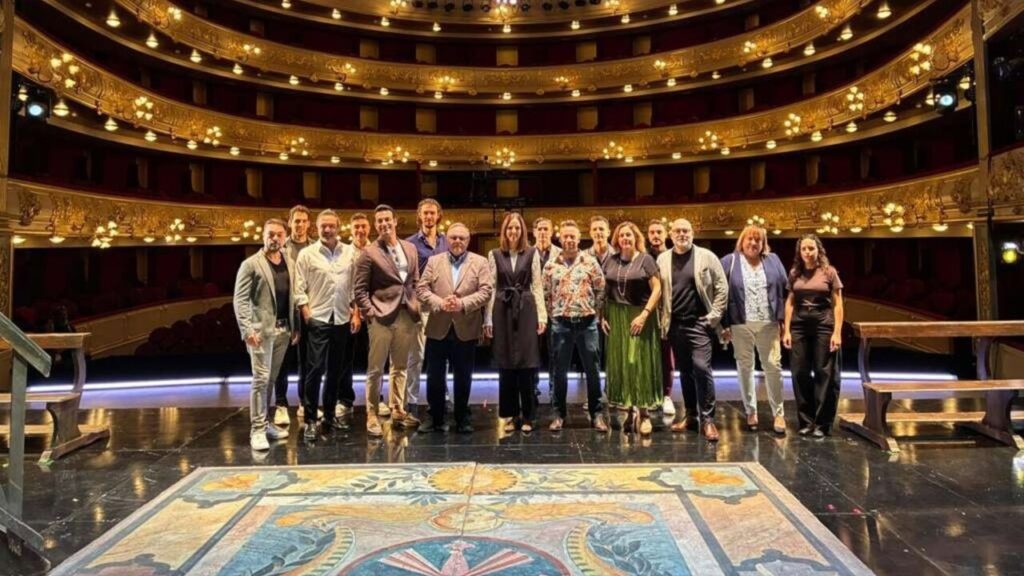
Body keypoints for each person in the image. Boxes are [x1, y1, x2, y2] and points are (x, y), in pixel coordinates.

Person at [416, 223, 493, 433]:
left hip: (466, 327)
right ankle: (435, 417)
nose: (457, 241)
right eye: (453, 238)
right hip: (438, 325)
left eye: (462, 238)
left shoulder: (480, 262)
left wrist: (463, 303)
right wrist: (439, 302)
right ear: (447, 239)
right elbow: (421, 288)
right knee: (434, 376)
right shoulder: (433, 261)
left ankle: (462, 417)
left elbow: (486, 291)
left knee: (463, 375)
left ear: (468, 240)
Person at [353, 204, 422, 437]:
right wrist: (370, 313)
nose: (384, 224)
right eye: (379, 221)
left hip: (406, 315)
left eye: (387, 220)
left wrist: (416, 306)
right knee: (375, 369)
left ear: (395, 221)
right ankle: (371, 413)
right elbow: (359, 289)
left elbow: (414, 281)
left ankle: (397, 409)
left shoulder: (410, 248)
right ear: (376, 225)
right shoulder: (369, 253)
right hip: (380, 318)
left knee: (400, 367)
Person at [657, 218, 728, 441]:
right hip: (675, 324)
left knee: (701, 368)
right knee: (685, 371)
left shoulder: (707, 257)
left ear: (692, 233)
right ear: (671, 234)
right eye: (677, 231)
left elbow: (722, 288)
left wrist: (713, 317)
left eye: (686, 230)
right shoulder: (662, 259)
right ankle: (691, 416)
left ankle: (708, 420)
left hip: (700, 323)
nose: (682, 234)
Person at [294, 209, 359, 442]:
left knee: (336, 371)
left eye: (332, 225)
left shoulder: (350, 252)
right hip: (318, 318)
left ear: (338, 227)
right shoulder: (307, 254)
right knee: (315, 370)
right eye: (323, 226)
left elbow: (353, 286)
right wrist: (307, 314)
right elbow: (299, 288)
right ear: (317, 228)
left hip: (341, 317)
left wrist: (355, 313)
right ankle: (311, 419)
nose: (328, 229)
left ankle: (330, 416)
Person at [232, 218, 295, 450]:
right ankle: (257, 429)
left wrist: (295, 326)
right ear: (263, 235)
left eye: (279, 234)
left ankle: (266, 423)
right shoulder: (250, 264)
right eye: (271, 234)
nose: (275, 238)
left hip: (283, 330)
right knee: (260, 379)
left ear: (285, 237)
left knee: (270, 379)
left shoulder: (289, 260)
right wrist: (247, 329)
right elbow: (240, 300)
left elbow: (292, 295)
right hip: (260, 333)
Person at [721, 225, 789, 435]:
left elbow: (784, 290)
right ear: (742, 241)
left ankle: (779, 413)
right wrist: (723, 324)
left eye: (757, 240)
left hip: (769, 323)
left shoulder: (773, 260)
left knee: (773, 367)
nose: (753, 243)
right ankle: (751, 411)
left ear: (763, 243)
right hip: (740, 323)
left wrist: (784, 321)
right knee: (745, 367)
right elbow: (720, 294)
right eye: (749, 239)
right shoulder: (729, 261)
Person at [485, 213, 547, 433]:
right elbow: (491, 287)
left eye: (517, 228)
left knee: (528, 363)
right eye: (510, 228)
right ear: (504, 230)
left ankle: (529, 415)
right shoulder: (494, 254)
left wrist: (542, 316)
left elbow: (537, 285)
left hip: (526, 308)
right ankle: (510, 415)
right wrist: (488, 318)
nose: (513, 232)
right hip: (502, 309)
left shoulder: (532, 253)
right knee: (506, 363)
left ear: (523, 231)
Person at [544, 220, 608, 432]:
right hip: (560, 324)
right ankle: (558, 414)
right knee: (558, 372)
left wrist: (595, 312)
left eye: (573, 236)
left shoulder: (590, 262)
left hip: (587, 323)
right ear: (559, 238)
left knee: (593, 370)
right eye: (565, 236)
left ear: (579, 239)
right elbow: (545, 294)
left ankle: (596, 414)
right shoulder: (551, 265)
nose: (569, 240)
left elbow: (600, 289)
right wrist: (553, 315)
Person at [601, 221, 661, 436]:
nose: (625, 238)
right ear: (617, 239)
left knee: (638, 363)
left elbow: (657, 289)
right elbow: (605, 291)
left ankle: (643, 414)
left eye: (629, 235)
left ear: (636, 238)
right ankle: (628, 411)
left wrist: (645, 314)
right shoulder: (611, 260)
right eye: (621, 235)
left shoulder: (646, 260)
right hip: (616, 316)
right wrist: (603, 316)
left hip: (639, 315)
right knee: (622, 364)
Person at [783, 234, 845, 437]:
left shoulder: (829, 272)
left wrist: (837, 332)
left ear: (818, 250)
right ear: (799, 252)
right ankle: (806, 421)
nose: (808, 253)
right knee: (799, 372)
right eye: (804, 249)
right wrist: (787, 330)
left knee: (824, 373)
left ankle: (822, 423)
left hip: (823, 326)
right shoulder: (794, 273)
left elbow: (838, 304)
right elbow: (790, 302)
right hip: (799, 327)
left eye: (811, 248)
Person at [397, 199, 449, 413]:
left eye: (432, 213)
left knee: (442, 356)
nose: (429, 217)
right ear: (419, 216)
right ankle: (412, 400)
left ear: (438, 216)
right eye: (425, 213)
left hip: (443, 307)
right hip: (419, 306)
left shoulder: (447, 242)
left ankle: (442, 395)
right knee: (416, 356)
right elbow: (405, 278)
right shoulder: (409, 244)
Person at [274, 205, 312, 427]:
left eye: (304, 221)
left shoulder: (315, 248)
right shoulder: (282, 247)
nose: (299, 225)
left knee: (307, 361)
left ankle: (305, 402)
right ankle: (280, 404)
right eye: (296, 221)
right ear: (290, 223)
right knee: (282, 361)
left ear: (309, 223)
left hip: (308, 311)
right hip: (286, 311)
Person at [350, 212, 389, 418]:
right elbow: (349, 286)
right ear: (351, 229)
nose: (360, 230)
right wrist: (354, 311)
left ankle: (377, 399)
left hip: (373, 312)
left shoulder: (378, 251)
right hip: (348, 313)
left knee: (375, 360)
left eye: (363, 226)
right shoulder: (343, 252)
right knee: (346, 359)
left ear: (370, 228)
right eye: (356, 226)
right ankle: (344, 399)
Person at [647, 219, 676, 416]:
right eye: (652, 232)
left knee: (667, 357)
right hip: (648, 315)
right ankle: (650, 395)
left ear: (665, 234)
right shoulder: (643, 257)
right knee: (648, 357)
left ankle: (666, 396)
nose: (655, 236)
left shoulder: (674, 256)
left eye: (659, 232)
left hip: (668, 314)